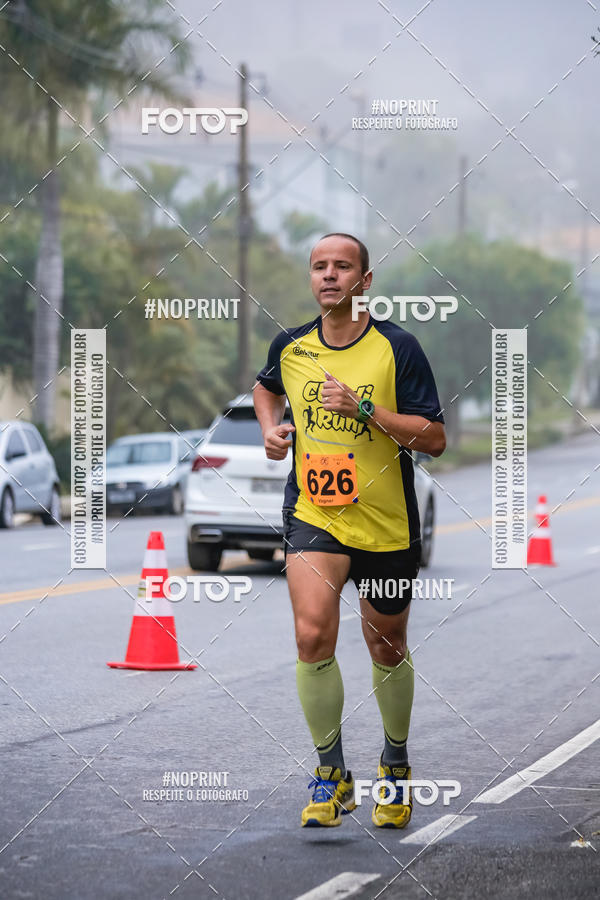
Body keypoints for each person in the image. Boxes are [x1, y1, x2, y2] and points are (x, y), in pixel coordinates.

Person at [253, 233, 446, 828]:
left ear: (365, 281)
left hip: (386, 524)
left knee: (386, 644)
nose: (329, 275)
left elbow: (435, 438)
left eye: (342, 266)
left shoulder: (397, 347)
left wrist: (365, 410)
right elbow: (265, 388)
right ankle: (332, 774)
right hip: (315, 516)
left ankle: (395, 765)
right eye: (320, 266)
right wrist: (270, 430)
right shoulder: (290, 346)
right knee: (312, 635)